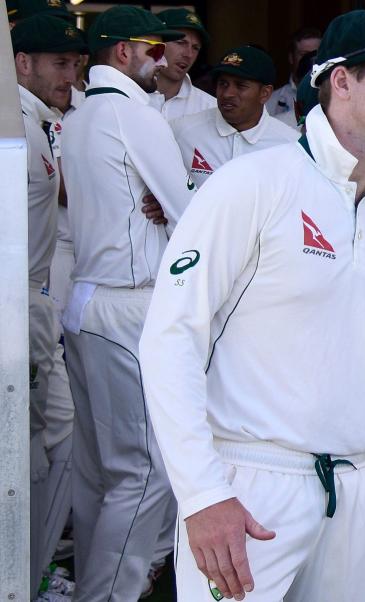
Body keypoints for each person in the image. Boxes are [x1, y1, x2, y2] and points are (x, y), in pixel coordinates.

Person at [138, 9, 365, 601]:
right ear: (341, 82)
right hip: (250, 489)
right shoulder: (254, 184)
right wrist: (204, 494)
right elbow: (170, 337)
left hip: (357, 491)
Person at [59, 6, 192, 600]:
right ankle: (107, 594)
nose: (165, 61)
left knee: (97, 475)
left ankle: (94, 583)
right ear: (123, 53)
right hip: (125, 306)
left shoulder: (82, 114)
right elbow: (187, 213)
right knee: (144, 472)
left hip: (86, 303)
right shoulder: (133, 115)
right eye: (155, 50)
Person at [12, 13, 87, 595]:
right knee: (42, 443)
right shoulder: (17, 126)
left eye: (76, 63)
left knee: (53, 441)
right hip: (18, 306)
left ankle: (30, 570)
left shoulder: (42, 122)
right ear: (23, 64)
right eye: (60, 63)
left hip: (35, 305)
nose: (73, 74)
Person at [171, 45, 298, 189]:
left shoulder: (291, 146)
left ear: (265, 93)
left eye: (240, 85)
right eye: (223, 84)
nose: (227, 94)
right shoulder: (182, 131)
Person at [150, 8, 216, 121]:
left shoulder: (211, 108)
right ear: (157, 43)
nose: (189, 54)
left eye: (195, 48)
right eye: (180, 43)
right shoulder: (129, 96)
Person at [266, 26, 321, 117]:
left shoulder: (336, 97)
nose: (311, 60)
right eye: (304, 54)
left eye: (316, 54)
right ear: (291, 57)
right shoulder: (272, 101)